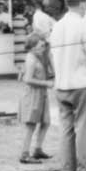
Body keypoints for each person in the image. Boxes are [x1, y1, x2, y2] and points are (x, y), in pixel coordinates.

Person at [49, 0, 86, 171]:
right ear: (82, 4)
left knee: (66, 128)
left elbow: (51, 55)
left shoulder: (57, 26)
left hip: (61, 84)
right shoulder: (83, 24)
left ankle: (67, 169)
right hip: (81, 83)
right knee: (85, 129)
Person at [17, 34, 53, 164]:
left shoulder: (39, 57)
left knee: (46, 121)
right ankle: (25, 154)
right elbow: (27, 79)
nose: (43, 48)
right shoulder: (31, 58)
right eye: (40, 46)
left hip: (41, 93)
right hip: (32, 94)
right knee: (31, 124)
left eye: (44, 46)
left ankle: (38, 149)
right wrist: (46, 84)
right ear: (32, 47)